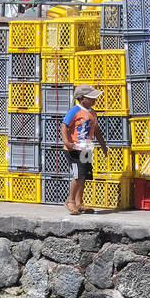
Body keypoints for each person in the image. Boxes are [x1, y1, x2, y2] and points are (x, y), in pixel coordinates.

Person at [60, 83, 108, 215]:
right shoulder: (75, 110)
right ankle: (70, 201)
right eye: (91, 98)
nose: (94, 100)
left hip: (86, 149)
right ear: (81, 98)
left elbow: (96, 130)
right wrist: (67, 142)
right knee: (78, 175)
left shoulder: (93, 113)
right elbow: (64, 125)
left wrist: (103, 146)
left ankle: (80, 203)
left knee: (85, 175)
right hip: (74, 149)